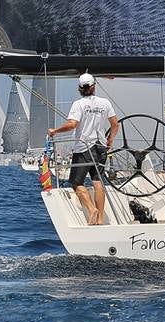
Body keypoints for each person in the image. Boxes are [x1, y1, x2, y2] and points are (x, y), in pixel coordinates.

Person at [47, 73, 118, 226]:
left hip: (84, 148)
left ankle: (92, 209)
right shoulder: (105, 103)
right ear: (93, 87)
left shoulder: (78, 104)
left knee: (76, 182)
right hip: (101, 147)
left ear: (80, 88)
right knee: (98, 181)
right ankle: (99, 220)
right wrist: (110, 141)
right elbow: (115, 124)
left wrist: (55, 131)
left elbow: (72, 124)